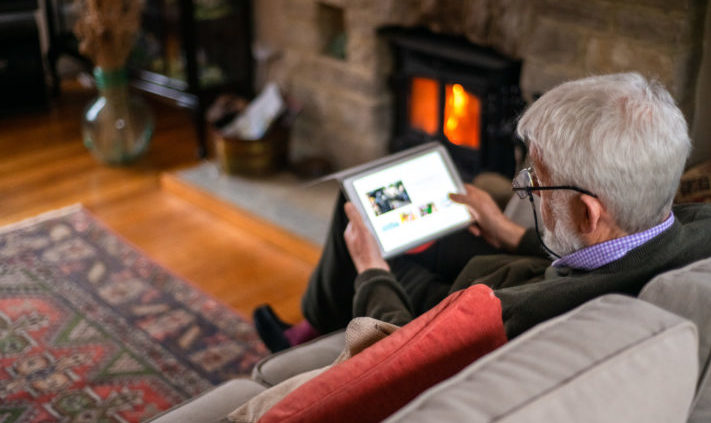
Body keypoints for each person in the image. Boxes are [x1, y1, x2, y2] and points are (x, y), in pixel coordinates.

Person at [254, 73, 711, 352]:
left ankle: (309, 327)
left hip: (455, 301)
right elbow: (604, 249)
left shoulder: (521, 316)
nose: (526, 188)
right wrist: (512, 232)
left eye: (537, 182)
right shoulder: (696, 231)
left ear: (588, 214)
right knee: (377, 210)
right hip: (509, 266)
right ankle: (314, 320)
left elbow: (396, 350)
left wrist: (372, 272)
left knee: (355, 212)